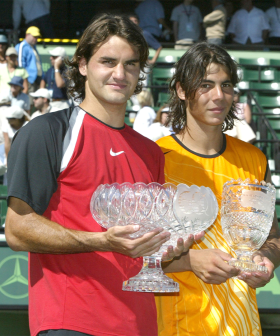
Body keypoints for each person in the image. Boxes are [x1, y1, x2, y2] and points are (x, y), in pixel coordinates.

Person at [5, 14, 198, 336]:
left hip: (141, 324)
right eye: (107, 61)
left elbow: (144, 247)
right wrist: (102, 241)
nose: (120, 74)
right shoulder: (48, 132)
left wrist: (187, 255)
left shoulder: (149, 152)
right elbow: (18, 229)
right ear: (82, 65)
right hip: (71, 322)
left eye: (131, 64)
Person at [155, 42, 280, 336]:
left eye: (226, 85)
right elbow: (129, 256)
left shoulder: (254, 159)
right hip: (175, 325)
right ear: (181, 90)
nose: (219, 96)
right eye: (206, 85)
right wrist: (189, 261)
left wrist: (267, 260)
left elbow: (273, 235)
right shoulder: (155, 158)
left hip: (242, 324)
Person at [40, 47, 69, 112]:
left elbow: (60, 84)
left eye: (54, 57)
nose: (51, 58)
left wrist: (56, 68)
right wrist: (42, 93)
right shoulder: (50, 70)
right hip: (50, 103)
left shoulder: (67, 71)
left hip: (62, 103)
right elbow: (43, 80)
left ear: (61, 59)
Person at [15, 26, 43, 94]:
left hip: (36, 80)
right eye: (34, 36)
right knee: (29, 102)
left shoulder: (33, 47)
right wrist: (25, 82)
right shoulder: (22, 46)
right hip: (28, 81)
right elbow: (20, 64)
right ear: (27, 35)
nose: (36, 39)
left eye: (37, 37)